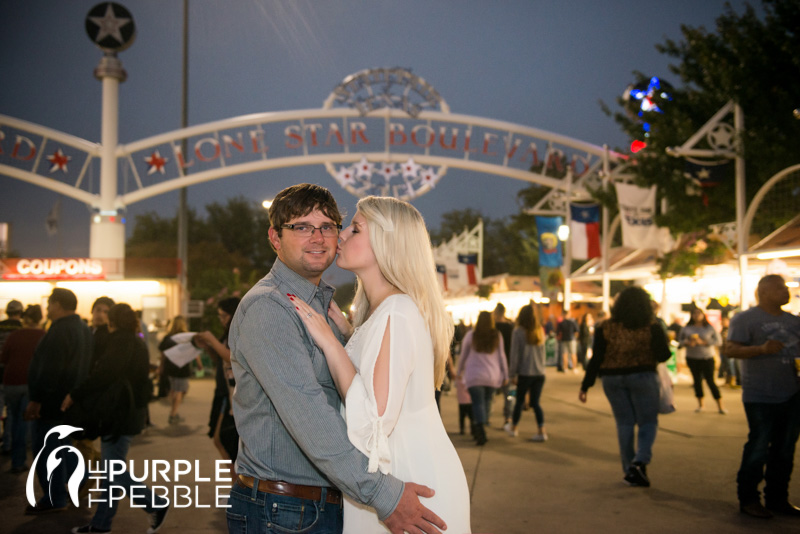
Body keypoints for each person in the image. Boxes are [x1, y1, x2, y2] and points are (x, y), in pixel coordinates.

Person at [228, 184, 450, 534]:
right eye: (302, 227)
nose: (319, 237)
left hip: (317, 504)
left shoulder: (323, 308)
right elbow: (310, 416)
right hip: (283, 509)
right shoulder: (269, 309)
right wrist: (383, 495)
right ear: (275, 238)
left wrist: (346, 338)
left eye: (328, 226)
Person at [291, 195, 471, 533]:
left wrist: (331, 345)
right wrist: (349, 335)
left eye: (355, 230)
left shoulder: (397, 312)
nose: (340, 236)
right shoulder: (383, 312)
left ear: (387, 244)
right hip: (397, 477)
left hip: (408, 482)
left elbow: (372, 422)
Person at [63, 303, 170, 534]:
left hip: (120, 414)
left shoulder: (121, 341)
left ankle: (155, 503)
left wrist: (75, 394)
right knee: (111, 471)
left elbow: (104, 375)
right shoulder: (135, 341)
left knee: (112, 470)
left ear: (113, 321)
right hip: (129, 413)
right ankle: (101, 524)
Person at [579, 286, 671, 488]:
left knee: (624, 423)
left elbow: (596, 358)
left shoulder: (605, 327)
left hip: (612, 379)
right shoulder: (651, 326)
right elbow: (664, 355)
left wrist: (586, 385)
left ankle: (630, 469)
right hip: (642, 376)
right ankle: (640, 461)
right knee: (647, 421)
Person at [726, 274, 800, 519]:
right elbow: (730, 350)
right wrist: (760, 349)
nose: (786, 292)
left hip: (792, 394)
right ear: (764, 291)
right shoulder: (745, 319)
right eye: (781, 288)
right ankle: (748, 499)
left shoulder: (794, 321)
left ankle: (777, 498)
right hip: (760, 395)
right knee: (758, 447)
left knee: (785, 450)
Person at [24, 288, 93, 514]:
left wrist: (37, 399)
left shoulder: (59, 330)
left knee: (47, 451)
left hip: (52, 402)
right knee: (63, 446)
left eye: (50, 303)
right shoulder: (83, 329)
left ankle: (55, 497)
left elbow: (49, 370)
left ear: (58, 305)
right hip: (71, 401)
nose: (47, 307)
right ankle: (82, 478)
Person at [195, 297, 241, 470]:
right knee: (220, 439)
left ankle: (236, 487)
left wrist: (211, 339)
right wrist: (208, 348)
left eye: (223, 316)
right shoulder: (228, 332)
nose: (221, 320)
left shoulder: (239, 331)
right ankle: (235, 486)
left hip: (233, 393)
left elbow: (231, 358)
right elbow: (222, 361)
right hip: (223, 392)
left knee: (225, 440)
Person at [1, 304, 44, 473]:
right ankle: (21, 459)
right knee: (24, 422)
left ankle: (13, 453)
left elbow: (4, 357)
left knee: (13, 416)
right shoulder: (43, 336)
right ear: (40, 318)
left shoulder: (14, 335)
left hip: (10, 381)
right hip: (30, 382)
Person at [457, 310, 509, 446]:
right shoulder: (496, 336)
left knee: (477, 403)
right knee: (486, 402)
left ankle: (479, 426)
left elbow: (463, 355)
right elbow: (502, 356)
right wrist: (505, 374)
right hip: (492, 376)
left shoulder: (471, 335)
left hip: (474, 376)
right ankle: (481, 425)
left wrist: (458, 371)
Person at [505, 304, 547, 442]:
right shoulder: (540, 330)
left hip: (525, 372)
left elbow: (514, 355)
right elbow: (543, 354)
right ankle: (541, 430)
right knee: (535, 403)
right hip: (539, 373)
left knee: (519, 401)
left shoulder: (518, 332)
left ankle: (514, 428)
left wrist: (512, 374)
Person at [679, 307, 726, 414]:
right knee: (697, 381)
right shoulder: (687, 328)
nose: (696, 315)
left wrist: (704, 342)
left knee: (710, 381)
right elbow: (680, 341)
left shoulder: (709, 327)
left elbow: (718, 341)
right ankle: (701, 404)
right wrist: (687, 342)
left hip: (706, 357)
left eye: (698, 313)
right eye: (694, 313)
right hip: (692, 357)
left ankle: (720, 405)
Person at [158, 315, 202, 424]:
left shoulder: (167, 337)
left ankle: (174, 410)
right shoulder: (186, 337)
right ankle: (173, 414)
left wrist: (161, 366)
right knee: (180, 390)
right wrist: (199, 363)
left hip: (170, 366)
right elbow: (194, 351)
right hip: (182, 367)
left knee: (175, 389)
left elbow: (163, 353)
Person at [0, 299, 23, 454]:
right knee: (14, 413)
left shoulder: (0, 326)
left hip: (0, 373)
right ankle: (9, 444)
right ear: (20, 313)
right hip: (16, 376)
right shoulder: (23, 329)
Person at [493, 303, 514, 425]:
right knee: (509, 394)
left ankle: (486, 417)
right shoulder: (510, 328)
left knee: (490, 394)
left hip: (494, 364)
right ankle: (508, 417)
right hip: (509, 363)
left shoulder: (493, 328)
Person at [89, 296, 115, 371]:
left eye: (106, 312)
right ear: (92, 311)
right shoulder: (85, 331)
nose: (100, 315)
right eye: (98, 310)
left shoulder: (110, 336)